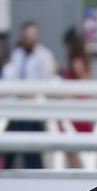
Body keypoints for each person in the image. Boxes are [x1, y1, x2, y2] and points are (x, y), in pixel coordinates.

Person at [1, 21, 57, 169]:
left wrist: (32, 94)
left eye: (32, 35)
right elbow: (11, 78)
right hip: (15, 109)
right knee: (9, 152)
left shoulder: (44, 55)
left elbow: (47, 81)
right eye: (26, 35)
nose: (29, 39)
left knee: (33, 153)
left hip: (34, 110)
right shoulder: (17, 54)